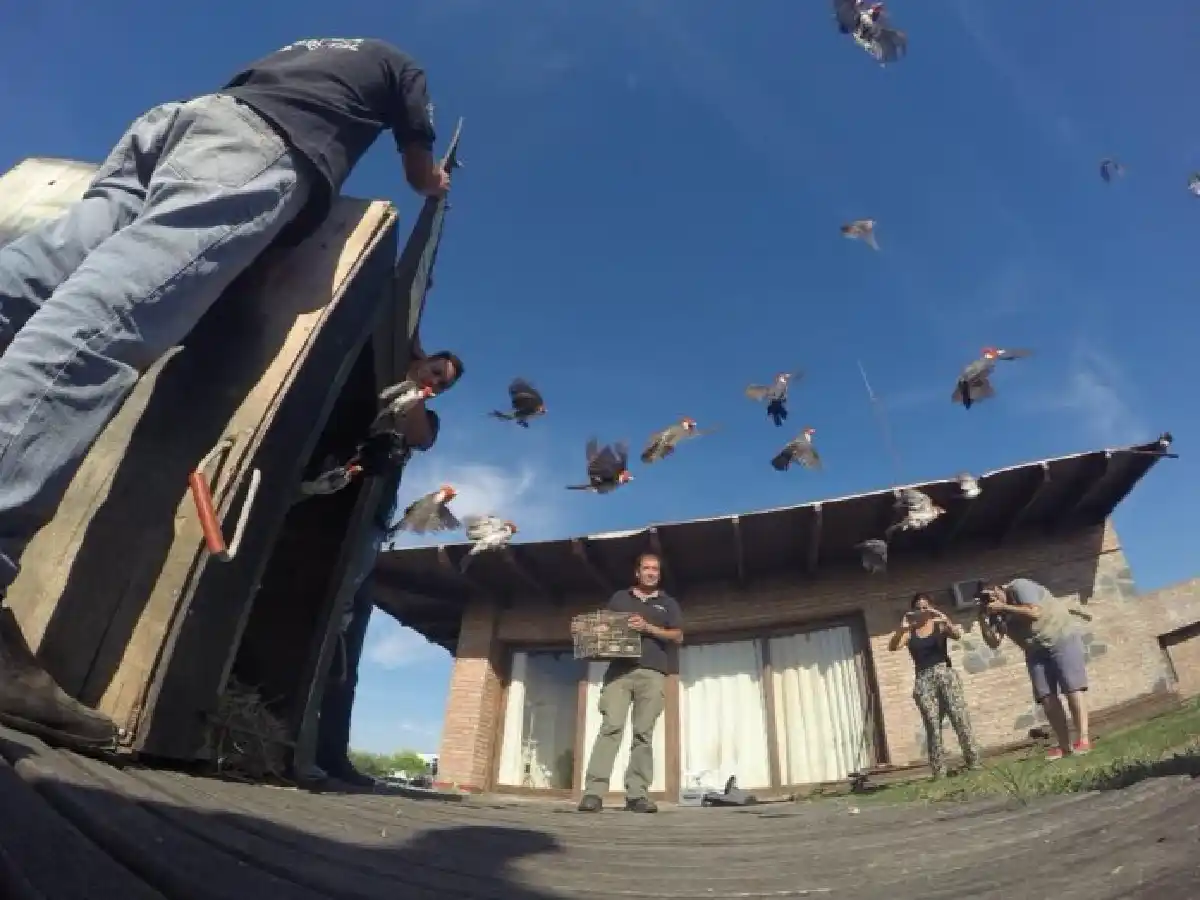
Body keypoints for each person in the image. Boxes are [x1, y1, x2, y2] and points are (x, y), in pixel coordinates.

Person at [0, 38, 450, 750]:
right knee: (109, 317)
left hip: (176, 127)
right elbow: (418, 153)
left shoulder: (312, 48)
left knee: (28, 279)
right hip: (259, 149)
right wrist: (434, 184)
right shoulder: (401, 67)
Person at [307, 347, 462, 787]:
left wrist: (419, 391)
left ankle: (330, 751)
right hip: (329, 507)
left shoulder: (421, 414)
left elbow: (419, 435)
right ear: (418, 360)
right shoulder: (381, 387)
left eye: (444, 384)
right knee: (330, 620)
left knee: (349, 631)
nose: (437, 383)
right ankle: (311, 746)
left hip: (370, 525)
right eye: (435, 371)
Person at [575, 552, 683, 814]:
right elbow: (606, 628)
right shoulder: (620, 598)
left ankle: (637, 795)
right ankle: (593, 793)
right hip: (619, 672)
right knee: (611, 727)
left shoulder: (668, 603)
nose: (651, 573)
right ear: (637, 572)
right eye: (646, 568)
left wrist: (648, 628)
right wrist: (597, 632)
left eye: (655, 569)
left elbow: (678, 636)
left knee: (643, 734)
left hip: (652, 672)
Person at [978, 578, 1091, 759]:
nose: (991, 600)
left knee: (1072, 688)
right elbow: (994, 642)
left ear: (999, 589)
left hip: (1059, 636)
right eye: (985, 598)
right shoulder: (995, 613)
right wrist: (982, 620)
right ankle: (1064, 745)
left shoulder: (1020, 587)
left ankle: (1083, 740)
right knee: (1046, 697)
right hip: (1034, 651)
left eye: (992, 594)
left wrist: (1004, 607)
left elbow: (1035, 612)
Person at [888, 592, 982, 778]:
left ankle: (973, 761)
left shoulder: (939, 625)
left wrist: (943, 618)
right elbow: (893, 647)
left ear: (930, 607)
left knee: (959, 717)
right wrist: (901, 629)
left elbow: (956, 634)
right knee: (932, 724)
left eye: (925, 607)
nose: (922, 611)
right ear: (913, 610)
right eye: (918, 608)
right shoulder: (910, 631)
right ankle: (939, 770)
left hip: (945, 674)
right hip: (923, 679)